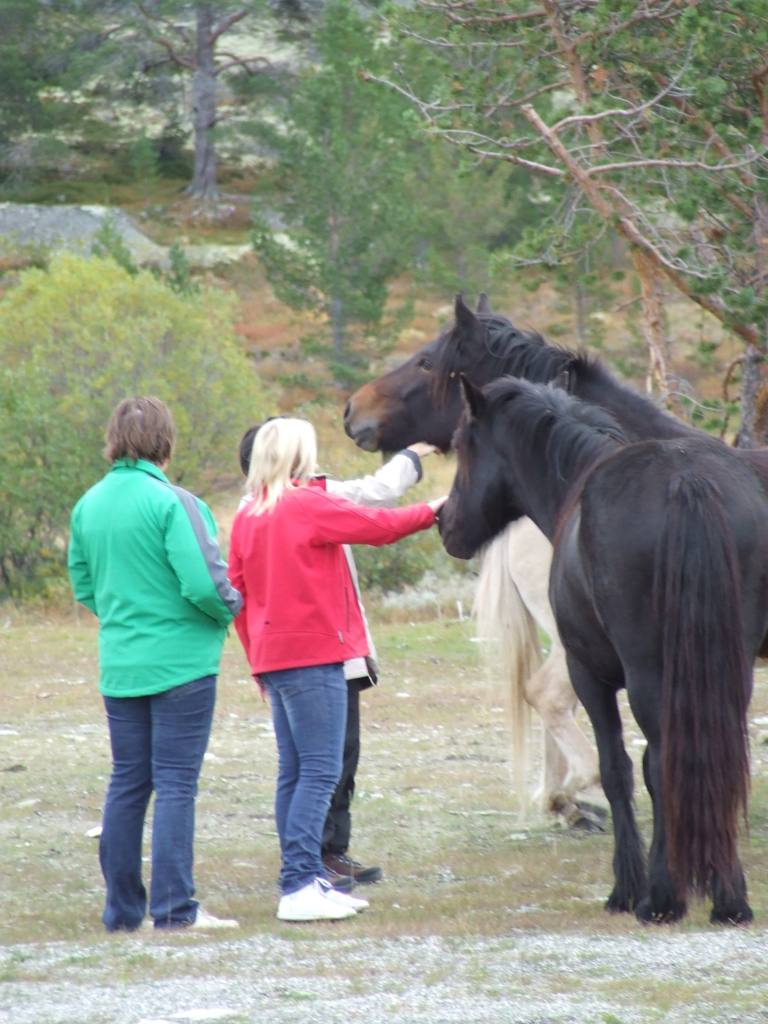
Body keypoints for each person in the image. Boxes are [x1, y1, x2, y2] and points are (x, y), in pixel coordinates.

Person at [228, 417, 446, 921]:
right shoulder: (305, 504)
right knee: (322, 772)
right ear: (295, 456)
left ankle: (300, 879)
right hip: (315, 658)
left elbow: (238, 598)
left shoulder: (247, 516)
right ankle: (301, 885)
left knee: (295, 772)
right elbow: (379, 526)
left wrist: (257, 662)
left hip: (274, 661)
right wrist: (436, 510)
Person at [68, 396, 243, 932]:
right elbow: (204, 584)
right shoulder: (174, 502)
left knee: (127, 782)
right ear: (166, 441)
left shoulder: (88, 504)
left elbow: (84, 585)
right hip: (182, 666)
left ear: (114, 439)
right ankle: (174, 909)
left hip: (121, 666)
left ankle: (122, 912)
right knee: (175, 785)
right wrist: (228, 610)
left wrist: (126, 616)